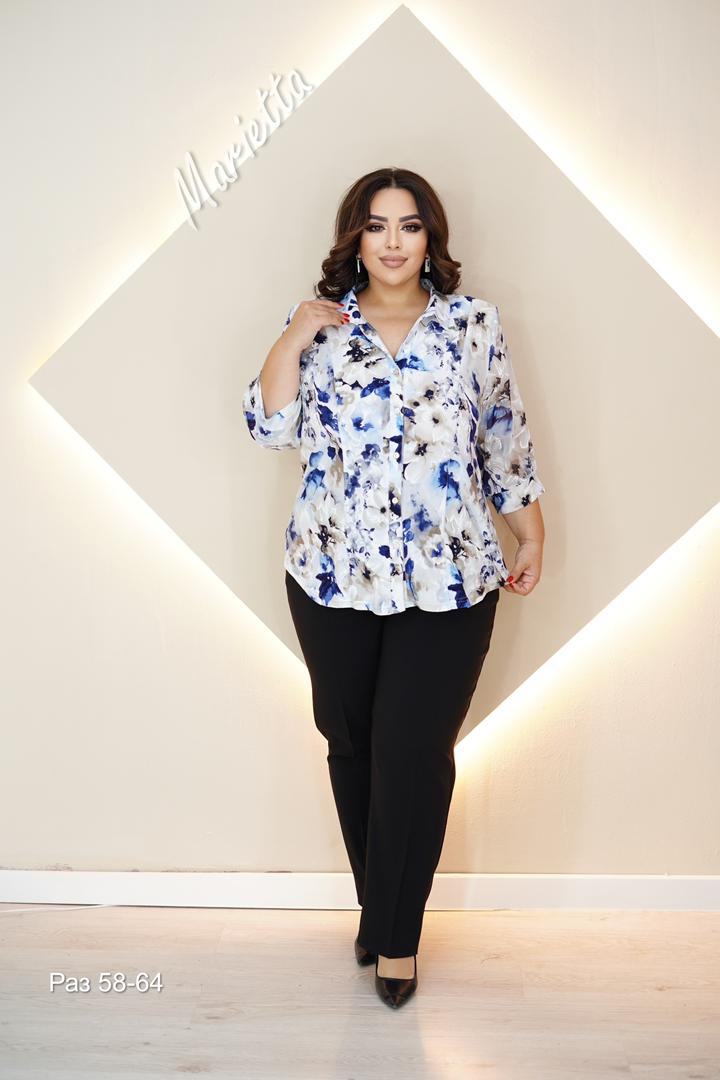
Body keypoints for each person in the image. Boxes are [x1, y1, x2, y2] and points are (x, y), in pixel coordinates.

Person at [242, 166, 547, 1009]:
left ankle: (395, 937)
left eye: (409, 226)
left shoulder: (473, 324)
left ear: (429, 238)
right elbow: (268, 426)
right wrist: (294, 335)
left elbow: (504, 437)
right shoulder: (319, 327)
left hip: (451, 578)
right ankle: (380, 910)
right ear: (355, 237)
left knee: (414, 753)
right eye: (376, 226)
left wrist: (531, 534)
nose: (392, 242)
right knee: (352, 746)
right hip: (330, 576)